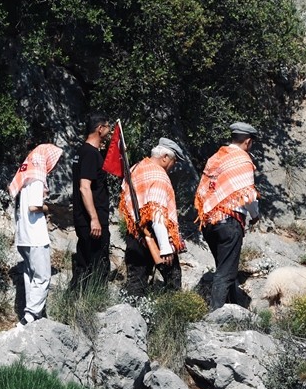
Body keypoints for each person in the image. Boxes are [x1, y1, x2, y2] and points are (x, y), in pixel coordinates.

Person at [196, 122, 260, 309]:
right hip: (229, 221)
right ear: (247, 141)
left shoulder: (215, 157)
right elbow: (247, 195)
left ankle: (233, 306)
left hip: (209, 221)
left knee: (225, 266)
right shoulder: (243, 160)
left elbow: (204, 190)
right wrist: (255, 214)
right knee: (226, 271)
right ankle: (216, 314)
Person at [121, 139, 187, 294]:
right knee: (173, 279)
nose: (173, 166)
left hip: (135, 233)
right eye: (174, 161)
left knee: (136, 280)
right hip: (155, 235)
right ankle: (172, 308)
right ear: (165, 157)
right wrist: (165, 248)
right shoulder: (159, 176)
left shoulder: (135, 168)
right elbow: (157, 214)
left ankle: (130, 307)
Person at [10, 143, 63, 325]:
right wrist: (48, 208)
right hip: (35, 235)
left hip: (23, 235)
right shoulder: (38, 179)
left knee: (30, 275)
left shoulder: (25, 178)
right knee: (42, 276)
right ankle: (31, 316)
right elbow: (34, 207)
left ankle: (31, 314)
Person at [72, 114, 112, 290]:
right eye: (108, 127)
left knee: (84, 263)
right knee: (98, 265)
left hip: (84, 218)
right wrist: (94, 219)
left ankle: (75, 298)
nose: (110, 131)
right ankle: (96, 300)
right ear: (100, 129)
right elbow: (84, 187)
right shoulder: (90, 154)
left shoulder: (83, 151)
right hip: (92, 220)